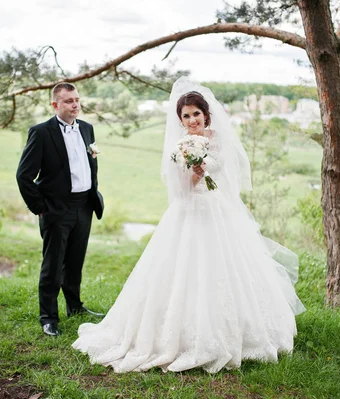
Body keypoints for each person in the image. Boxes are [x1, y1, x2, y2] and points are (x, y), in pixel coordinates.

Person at [72, 77, 304, 373]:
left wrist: (211, 175)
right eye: (186, 116)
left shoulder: (221, 138)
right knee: (179, 271)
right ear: (180, 121)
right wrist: (194, 173)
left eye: (196, 113)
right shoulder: (180, 146)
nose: (192, 119)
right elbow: (180, 189)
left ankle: (240, 331)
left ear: (206, 114)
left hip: (220, 211)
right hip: (188, 212)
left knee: (230, 270)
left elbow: (229, 178)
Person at [16, 82, 104, 337]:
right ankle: (48, 317)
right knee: (53, 265)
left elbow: (89, 166)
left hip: (84, 206)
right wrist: (41, 208)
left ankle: (74, 307)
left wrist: (92, 193)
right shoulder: (41, 133)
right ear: (55, 105)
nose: (75, 104)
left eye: (76, 99)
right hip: (56, 209)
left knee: (75, 261)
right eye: (68, 101)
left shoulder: (87, 129)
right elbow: (24, 176)